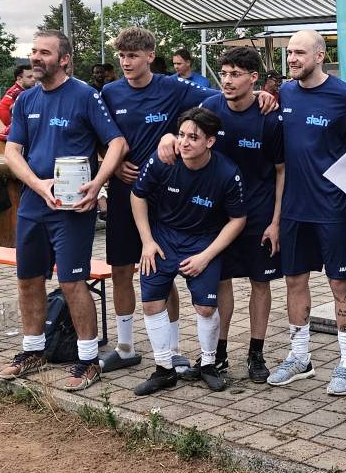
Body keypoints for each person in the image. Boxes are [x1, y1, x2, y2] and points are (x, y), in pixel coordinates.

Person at [0, 30, 128, 391]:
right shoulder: (26, 99)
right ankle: (33, 350)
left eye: (45, 52)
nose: (36, 57)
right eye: (33, 51)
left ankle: (88, 359)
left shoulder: (84, 95)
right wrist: (38, 185)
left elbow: (117, 143)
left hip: (72, 207)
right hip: (33, 203)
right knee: (28, 279)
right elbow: (11, 151)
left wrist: (97, 184)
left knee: (71, 282)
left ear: (64, 59)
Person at [97, 26, 217, 376]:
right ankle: (125, 347)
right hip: (123, 193)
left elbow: (217, 98)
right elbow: (99, 136)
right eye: (122, 56)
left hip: (164, 197)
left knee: (163, 271)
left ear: (150, 56)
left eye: (133, 56)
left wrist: (262, 96)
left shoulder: (173, 86)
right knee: (121, 269)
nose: (126, 62)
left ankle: (174, 350)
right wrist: (113, 162)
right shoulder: (109, 92)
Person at [266, 29, 346, 396]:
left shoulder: (343, 96)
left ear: (320, 56)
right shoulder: (285, 93)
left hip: (332, 208)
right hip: (294, 209)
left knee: (339, 283)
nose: (292, 59)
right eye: (290, 52)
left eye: (300, 53)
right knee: (294, 281)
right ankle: (299, 357)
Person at [129, 107, 247, 395]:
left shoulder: (227, 172)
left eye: (193, 137)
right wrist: (147, 241)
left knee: (205, 307)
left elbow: (238, 219)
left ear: (210, 142)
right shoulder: (164, 160)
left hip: (203, 241)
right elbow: (137, 195)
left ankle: (208, 364)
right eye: (181, 135)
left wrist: (206, 256)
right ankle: (164, 369)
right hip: (164, 239)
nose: (183, 142)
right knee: (151, 304)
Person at [200, 47, 285, 383]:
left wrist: (275, 222)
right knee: (221, 281)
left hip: (258, 214)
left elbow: (281, 171)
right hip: (218, 216)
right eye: (224, 73)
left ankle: (256, 353)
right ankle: (218, 352)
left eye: (235, 74)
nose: (227, 80)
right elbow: (185, 136)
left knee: (259, 283)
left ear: (253, 78)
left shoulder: (269, 117)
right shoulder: (209, 109)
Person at [0, 64, 36, 142]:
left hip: (11, 113)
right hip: (8, 113)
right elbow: (2, 109)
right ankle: (10, 137)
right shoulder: (18, 92)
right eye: (29, 77)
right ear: (19, 79)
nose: (33, 79)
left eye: (33, 76)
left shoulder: (20, 90)